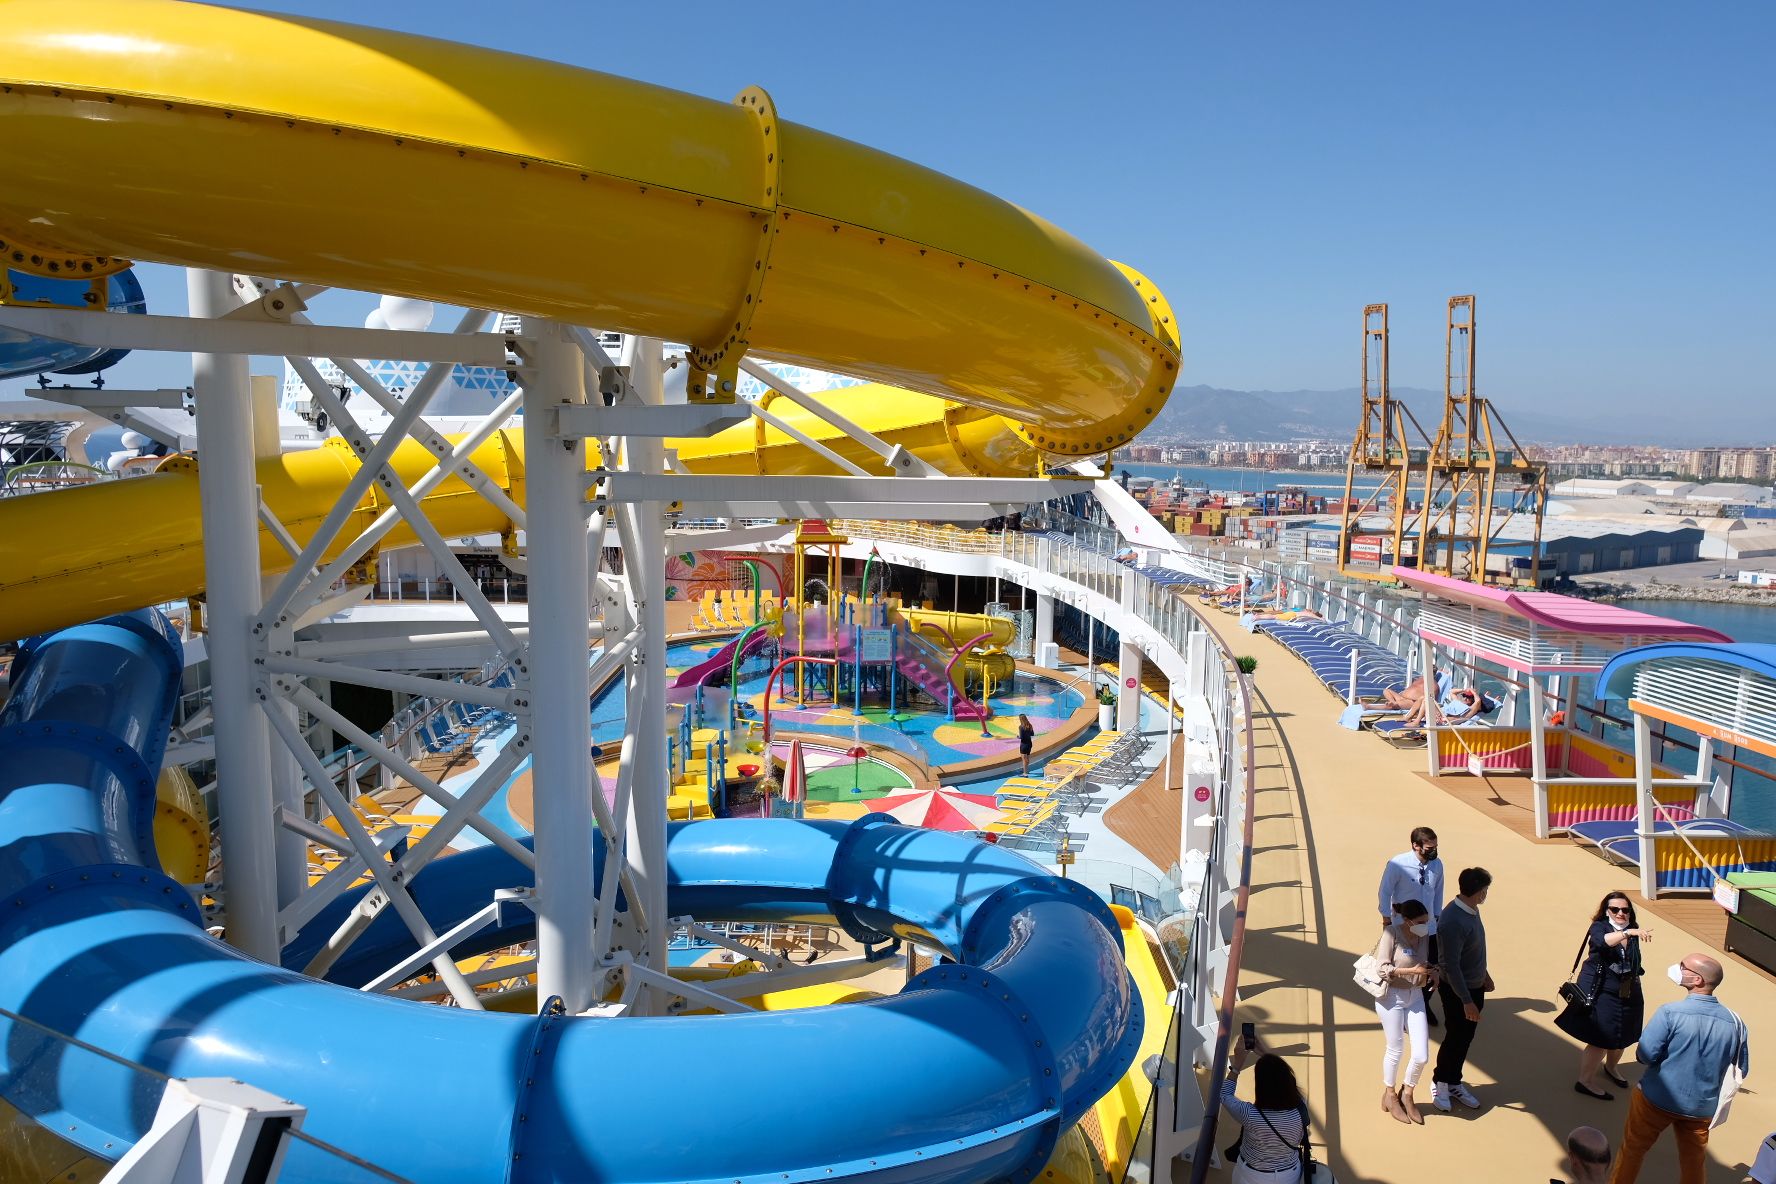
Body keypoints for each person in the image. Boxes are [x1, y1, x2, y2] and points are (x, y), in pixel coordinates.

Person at [1610, 953, 1750, 1184]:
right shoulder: (1736, 1023)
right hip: (1701, 1108)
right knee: (1693, 1162)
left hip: (1655, 1099)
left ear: (1698, 981)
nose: (1678, 968)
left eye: (1684, 967)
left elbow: (1645, 1055)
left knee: (1632, 1150)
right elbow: (1742, 1067)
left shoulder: (1670, 1013)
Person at [1557, 892, 1651, 1100]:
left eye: (1625, 910)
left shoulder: (1631, 928)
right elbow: (1603, 942)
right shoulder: (1600, 927)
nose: (1620, 913)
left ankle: (1611, 1067)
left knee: (1624, 1035)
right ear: (1606, 911)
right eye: (1615, 909)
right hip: (1602, 991)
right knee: (1600, 1038)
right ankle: (1585, 1081)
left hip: (1628, 990)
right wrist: (1629, 933)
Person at [1433, 865, 1493, 1112]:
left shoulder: (1471, 909)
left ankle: (1453, 1081)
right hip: (1459, 992)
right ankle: (1440, 1083)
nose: (1486, 894)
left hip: (1474, 986)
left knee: (1464, 1038)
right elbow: (1451, 966)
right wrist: (1467, 1000)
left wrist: (1485, 975)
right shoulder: (1453, 921)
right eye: (1486, 890)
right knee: (1455, 1038)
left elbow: (1473, 949)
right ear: (1479, 892)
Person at [1374, 898, 1436, 1124]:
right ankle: (1390, 1094)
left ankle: (1407, 1093)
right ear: (1408, 921)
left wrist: (1433, 971)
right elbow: (1382, 968)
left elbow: (1424, 963)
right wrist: (1411, 969)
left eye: (1427, 922)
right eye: (1421, 922)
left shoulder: (1424, 936)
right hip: (1392, 996)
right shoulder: (1391, 933)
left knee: (1421, 1054)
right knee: (1395, 1048)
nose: (1425, 926)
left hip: (1415, 995)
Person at [1377, 826, 1445, 1024]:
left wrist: (1437, 917)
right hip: (1403, 927)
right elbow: (1385, 891)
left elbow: (1438, 891)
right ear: (1416, 846)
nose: (1433, 851)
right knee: (1402, 967)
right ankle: (1398, 1005)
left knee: (1429, 966)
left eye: (1435, 847)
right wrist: (1386, 919)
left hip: (1428, 927)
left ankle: (1422, 1004)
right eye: (1429, 847)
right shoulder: (1398, 864)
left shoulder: (1437, 865)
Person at [1221, 1046, 1310, 1183]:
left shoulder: (1250, 1114)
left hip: (1252, 1176)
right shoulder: (1300, 1106)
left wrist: (1237, 1064)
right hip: (1289, 1174)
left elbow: (1225, 1095)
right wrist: (1265, 1053)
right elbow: (1282, 1078)